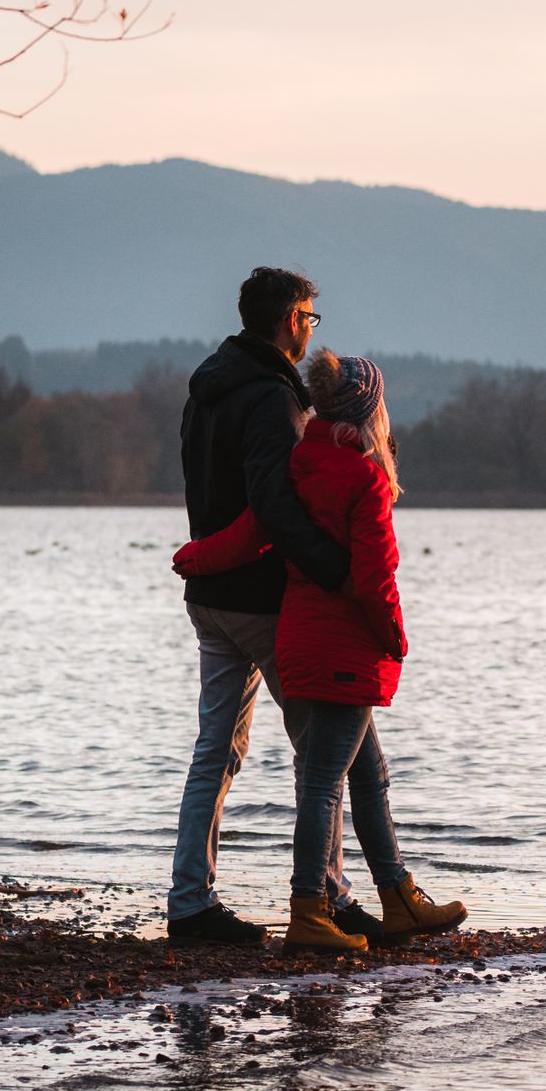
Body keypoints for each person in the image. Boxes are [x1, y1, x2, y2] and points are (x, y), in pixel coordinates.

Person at [175, 351, 467, 955]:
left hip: (300, 638)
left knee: (368, 775)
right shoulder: (366, 479)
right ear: (370, 414)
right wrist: (396, 639)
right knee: (322, 784)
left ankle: (397, 895)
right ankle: (310, 909)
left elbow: (251, 533)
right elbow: (375, 578)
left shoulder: (298, 464)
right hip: (346, 649)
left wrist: (194, 558)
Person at [168, 265, 376, 948]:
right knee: (322, 754)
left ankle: (190, 902)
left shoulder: (207, 388)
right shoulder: (273, 399)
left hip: (211, 596)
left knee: (215, 751)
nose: (312, 329)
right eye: (310, 318)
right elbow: (275, 505)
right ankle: (329, 898)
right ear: (290, 321)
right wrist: (335, 572)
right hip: (261, 600)